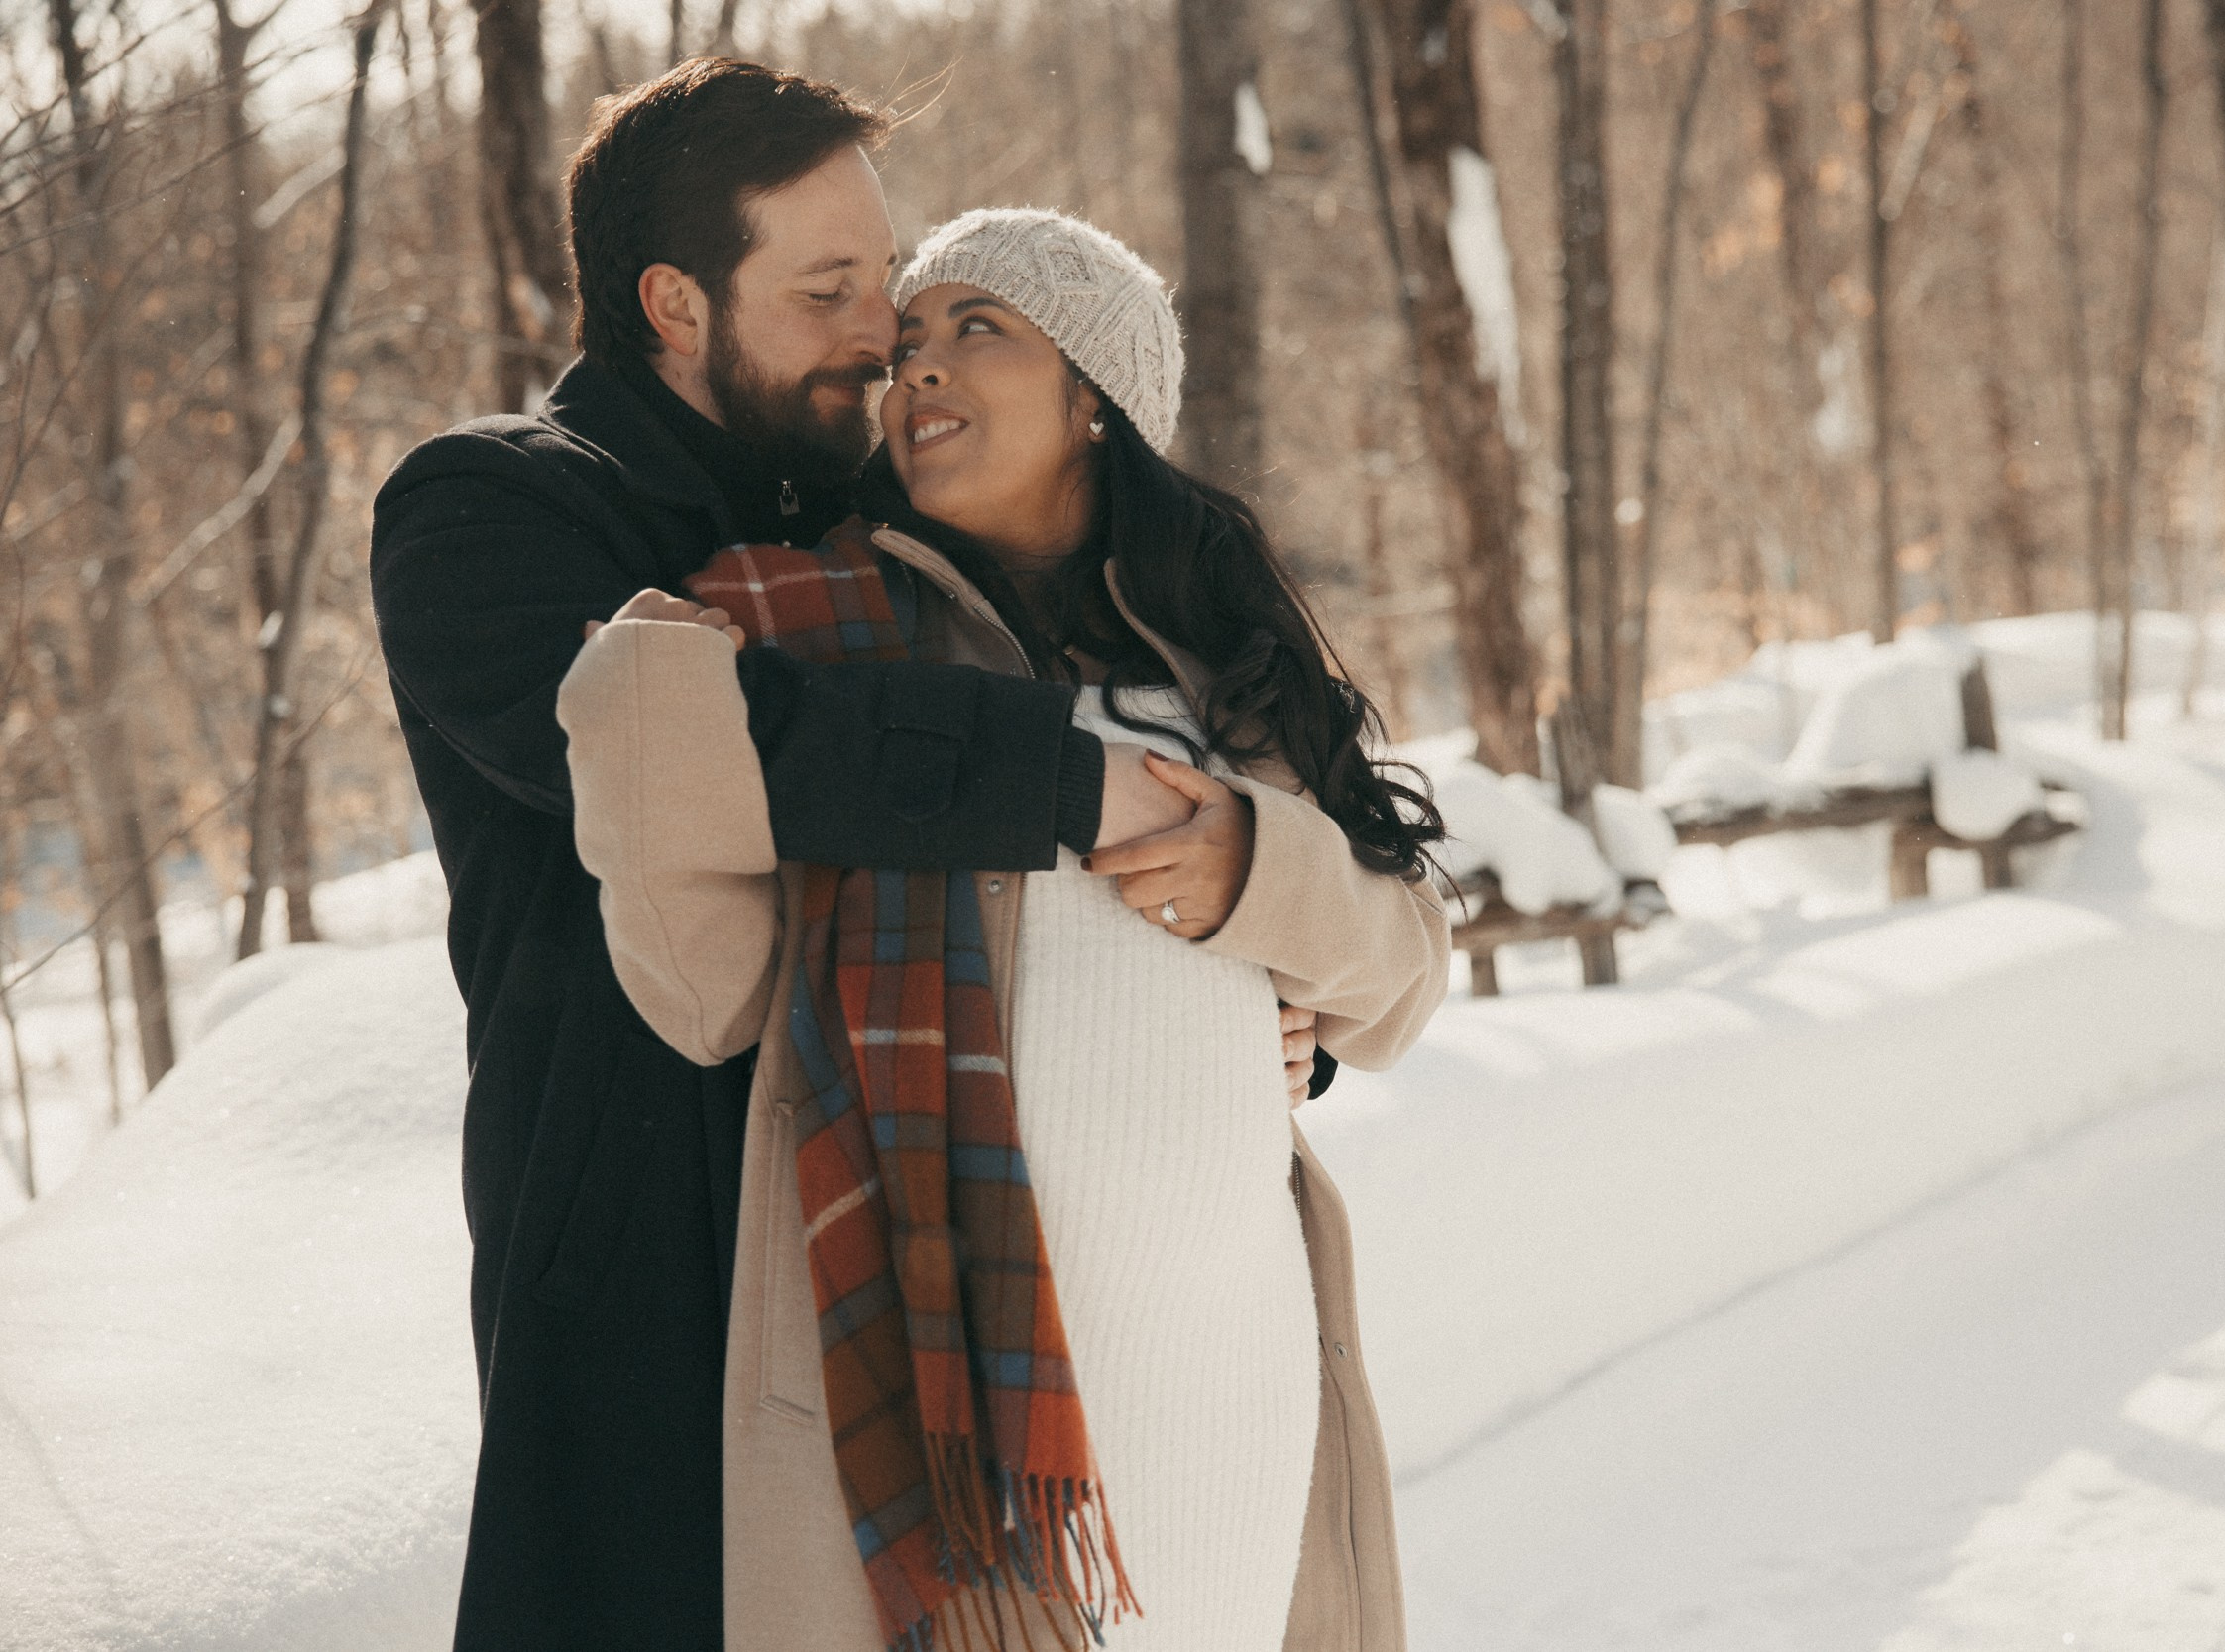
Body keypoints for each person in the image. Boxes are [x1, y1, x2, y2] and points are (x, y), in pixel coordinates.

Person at [368, 61, 1226, 1652]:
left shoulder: (890, 506)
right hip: (648, 1274)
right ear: (676, 305)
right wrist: (1070, 785)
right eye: (827, 288)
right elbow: (734, 752)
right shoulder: (488, 517)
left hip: (920, 1240)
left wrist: (1231, 1006)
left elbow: (1136, 730)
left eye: (886, 282)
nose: (879, 331)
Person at [557, 209, 1450, 1650]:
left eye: (982, 329)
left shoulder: (1221, 673)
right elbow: (702, 993)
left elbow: (1402, 978)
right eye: (906, 344)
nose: (920, 370)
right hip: (958, 1391)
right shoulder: (816, 638)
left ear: (1095, 399)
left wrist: (1253, 872)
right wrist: (635, 696)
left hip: (1234, 1360)